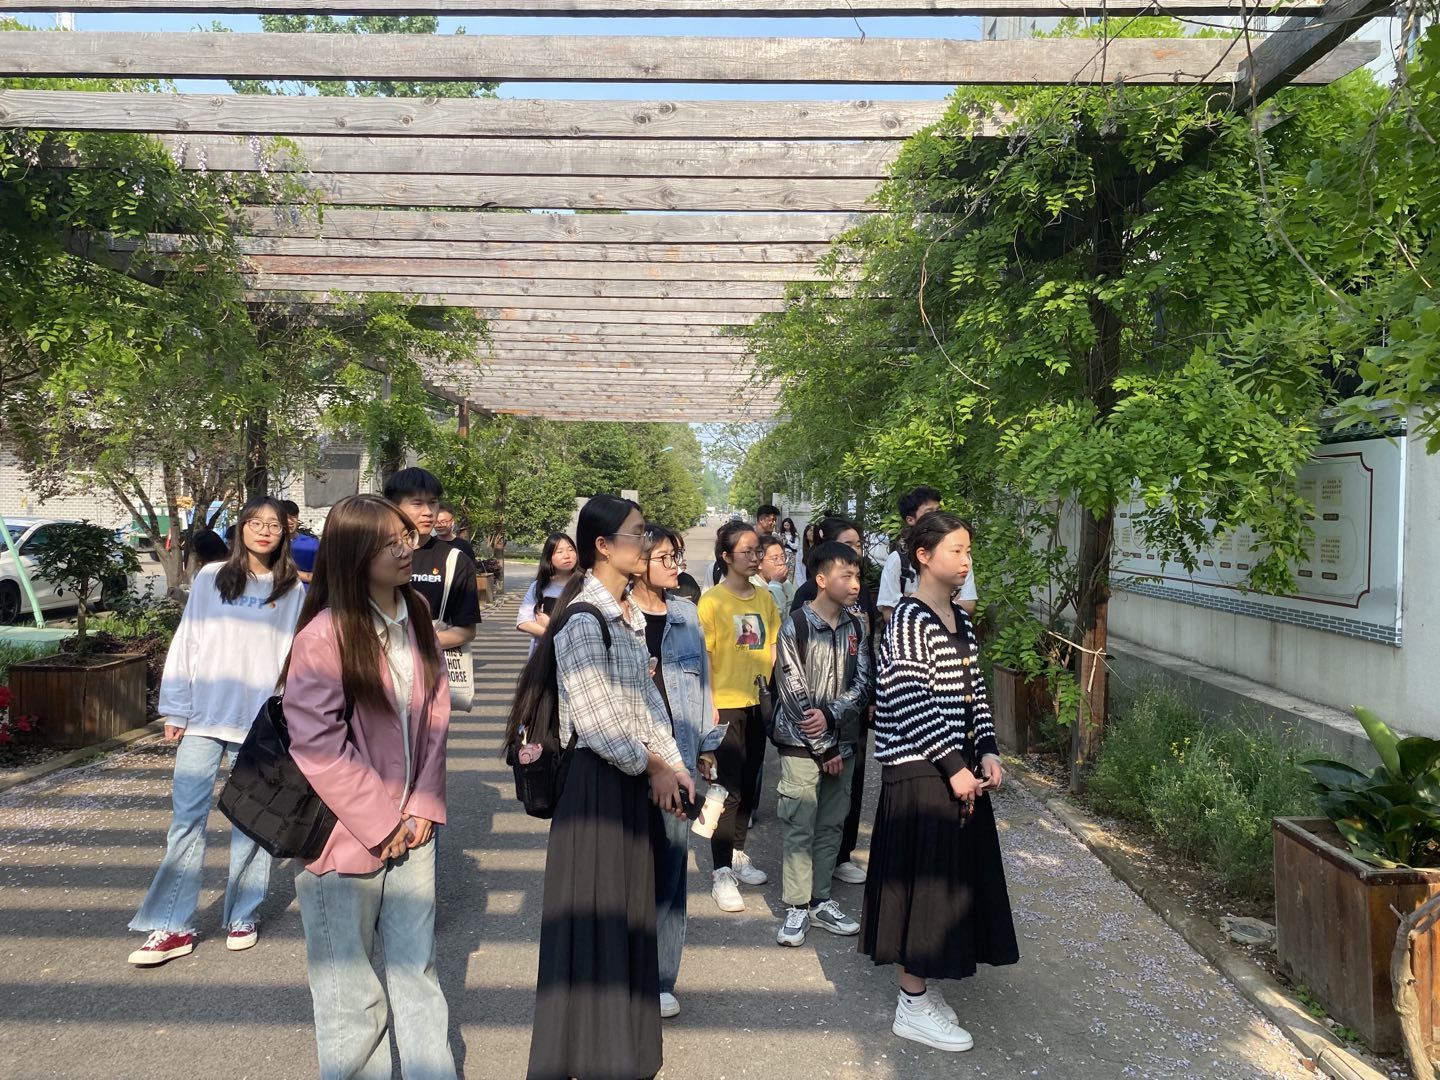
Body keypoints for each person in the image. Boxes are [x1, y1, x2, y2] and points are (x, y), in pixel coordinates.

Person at [518, 495, 694, 1080]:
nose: (646, 543)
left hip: (627, 784)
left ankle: (622, 1056)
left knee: (627, 921)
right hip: (594, 791)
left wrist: (674, 764)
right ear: (602, 545)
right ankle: (583, 1057)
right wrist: (654, 767)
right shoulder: (582, 620)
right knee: (594, 925)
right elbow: (597, 724)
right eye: (637, 533)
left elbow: (646, 704)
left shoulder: (627, 615)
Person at [283, 494, 456, 1080]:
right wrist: (383, 823)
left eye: (405, 536)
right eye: (388, 542)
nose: (405, 549)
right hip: (342, 837)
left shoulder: (417, 613)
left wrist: (424, 804)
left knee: (418, 974)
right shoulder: (324, 634)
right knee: (349, 994)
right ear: (353, 553)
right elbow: (317, 744)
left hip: (416, 829)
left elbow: (436, 714)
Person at [860, 511, 1019, 1053]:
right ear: (923, 556)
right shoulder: (907, 619)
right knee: (923, 889)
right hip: (920, 773)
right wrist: (954, 767)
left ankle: (923, 988)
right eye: (957, 550)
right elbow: (908, 699)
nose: (966, 560)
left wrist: (988, 750)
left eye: (968, 550)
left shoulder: (960, 620)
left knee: (950, 884)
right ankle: (912, 1002)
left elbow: (975, 695)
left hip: (957, 770)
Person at [127, 497, 304, 966]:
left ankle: (243, 913)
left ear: (284, 533)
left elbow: (297, 656)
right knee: (186, 820)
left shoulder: (291, 588)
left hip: (260, 724)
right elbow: (188, 640)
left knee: (252, 820)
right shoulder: (211, 577)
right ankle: (173, 925)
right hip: (204, 718)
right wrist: (176, 709)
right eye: (255, 522)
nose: (264, 531)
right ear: (241, 528)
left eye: (273, 525)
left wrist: (292, 715)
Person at [632, 524, 725, 1020]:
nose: (676, 566)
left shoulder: (687, 614)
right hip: (630, 763)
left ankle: (661, 979)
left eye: (678, 556)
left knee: (670, 874)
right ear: (638, 561)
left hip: (680, 764)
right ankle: (624, 972)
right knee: (628, 873)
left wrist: (706, 751)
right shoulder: (615, 615)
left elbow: (703, 688)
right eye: (666, 557)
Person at [772, 541, 873, 948]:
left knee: (831, 823)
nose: (855, 583)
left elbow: (864, 683)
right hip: (801, 745)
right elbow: (792, 692)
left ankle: (820, 900)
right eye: (846, 575)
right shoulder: (795, 625)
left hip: (842, 741)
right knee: (800, 823)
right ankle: (796, 905)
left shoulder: (857, 626)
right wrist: (824, 745)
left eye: (857, 575)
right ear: (821, 579)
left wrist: (832, 718)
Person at [790, 516, 880, 885]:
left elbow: (866, 662)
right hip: (808, 727)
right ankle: (801, 891)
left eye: (858, 546)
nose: (855, 581)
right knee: (804, 810)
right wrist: (821, 727)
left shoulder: (859, 607)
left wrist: (858, 702)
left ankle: (835, 864)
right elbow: (793, 677)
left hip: (847, 717)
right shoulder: (802, 609)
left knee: (845, 794)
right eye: (847, 545)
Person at [696, 520, 781, 913]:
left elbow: (774, 647)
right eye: (746, 551)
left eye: (756, 551)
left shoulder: (765, 598)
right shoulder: (712, 602)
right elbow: (706, 657)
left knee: (749, 784)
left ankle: (738, 852)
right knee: (725, 789)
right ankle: (721, 872)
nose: (754, 557)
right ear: (726, 556)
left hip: (758, 702)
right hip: (725, 704)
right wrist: (708, 704)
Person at [382, 468, 480, 650]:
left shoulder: (456, 560)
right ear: (393, 506)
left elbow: (466, 630)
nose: (428, 512)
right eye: (417, 503)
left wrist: (408, 646)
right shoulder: (375, 556)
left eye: (433, 502)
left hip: (432, 661)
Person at [876, 486, 979, 622]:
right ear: (910, 519)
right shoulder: (898, 560)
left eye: (938, 510)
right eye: (929, 512)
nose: (936, 516)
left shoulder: (961, 557)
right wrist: (948, 606)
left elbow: (968, 604)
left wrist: (911, 605)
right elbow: (889, 613)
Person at [515, 532, 578, 656]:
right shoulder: (539, 587)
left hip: (576, 654)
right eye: (559, 551)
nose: (567, 555)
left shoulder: (587, 585)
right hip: (545, 656)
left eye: (571, 550)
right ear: (549, 557)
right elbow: (523, 623)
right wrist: (553, 635)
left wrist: (550, 625)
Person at [280, 499, 320, 586]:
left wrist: (292, 573)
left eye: (293, 517)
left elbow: (322, 575)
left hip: (306, 593)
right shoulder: (271, 544)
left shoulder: (312, 544)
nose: (290, 521)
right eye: (285, 517)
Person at [757, 532, 796, 612]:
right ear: (759, 563)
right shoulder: (752, 587)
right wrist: (775, 584)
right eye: (775, 559)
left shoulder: (785, 583)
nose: (781, 563)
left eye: (782, 557)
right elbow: (773, 615)